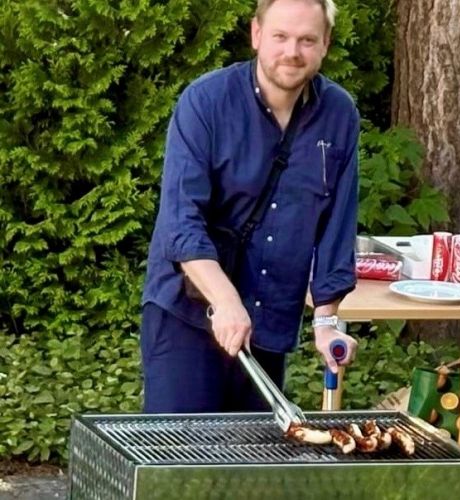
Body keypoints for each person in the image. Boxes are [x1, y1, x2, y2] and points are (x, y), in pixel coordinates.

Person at [140, 0, 360, 413]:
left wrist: (327, 321)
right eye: (280, 36)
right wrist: (225, 301)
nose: (292, 52)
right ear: (257, 34)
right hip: (187, 315)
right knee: (179, 465)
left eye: (307, 40)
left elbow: (337, 228)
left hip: (269, 321)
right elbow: (181, 221)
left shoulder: (339, 114)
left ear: (325, 45)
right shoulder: (204, 102)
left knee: (249, 469)